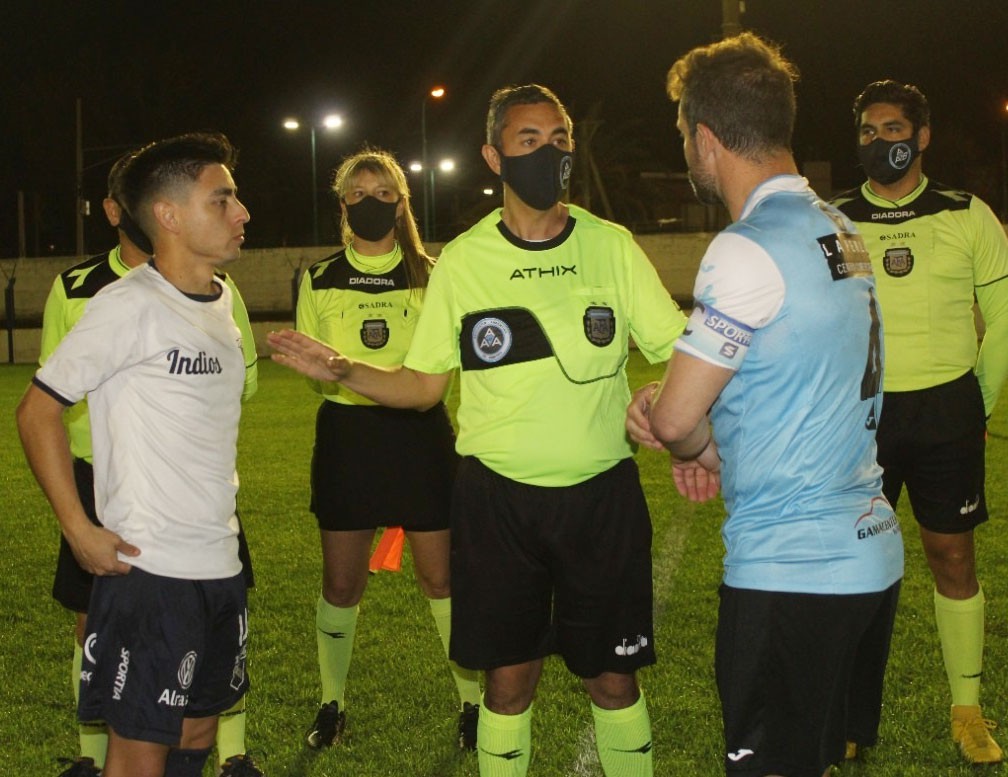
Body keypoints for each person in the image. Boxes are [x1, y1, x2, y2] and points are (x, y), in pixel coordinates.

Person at [269, 83, 686, 777]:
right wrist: (343, 368)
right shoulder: (463, 261)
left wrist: (664, 399)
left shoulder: (611, 246)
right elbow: (423, 386)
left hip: (601, 498)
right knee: (506, 684)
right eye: (529, 140)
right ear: (494, 156)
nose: (549, 153)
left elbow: (678, 349)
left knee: (613, 681)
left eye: (559, 139)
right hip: (498, 504)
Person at [626, 34, 904, 777]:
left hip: (794, 569)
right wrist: (716, 443)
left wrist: (663, 413)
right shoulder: (840, 227)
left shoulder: (746, 245)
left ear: (706, 139)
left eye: (683, 136)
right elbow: (800, 376)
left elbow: (675, 419)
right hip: (869, 551)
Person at [18, 132, 254, 777]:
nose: (241, 212)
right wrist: (78, 529)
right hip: (151, 573)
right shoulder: (127, 307)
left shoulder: (222, 301)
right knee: (139, 749)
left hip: (219, 560)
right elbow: (37, 411)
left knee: (199, 728)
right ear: (168, 216)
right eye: (222, 200)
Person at [832, 80, 1008, 764]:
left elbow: (1002, 318)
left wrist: (977, 402)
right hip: (860, 416)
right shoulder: (837, 220)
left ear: (922, 135)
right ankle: (848, 719)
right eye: (867, 131)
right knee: (855, 562)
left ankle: (968, 710)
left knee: (952, 557)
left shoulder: (967, 215)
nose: (880, 141)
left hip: (946, 411)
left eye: (893, 129)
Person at [295, 147, 481, 751]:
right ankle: (331, 703)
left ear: (401, 204)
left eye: (382, 194)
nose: (370, 203)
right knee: (341, 585)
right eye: (358, 194)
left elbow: (440, 371)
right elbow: (317, 374)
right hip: (347, 439)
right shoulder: (319, 278)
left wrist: (357, 372)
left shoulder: (432, 273)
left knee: (441, 578)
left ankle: (472, 706)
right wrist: (333, 373)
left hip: (420, 436)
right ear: (342, 205)